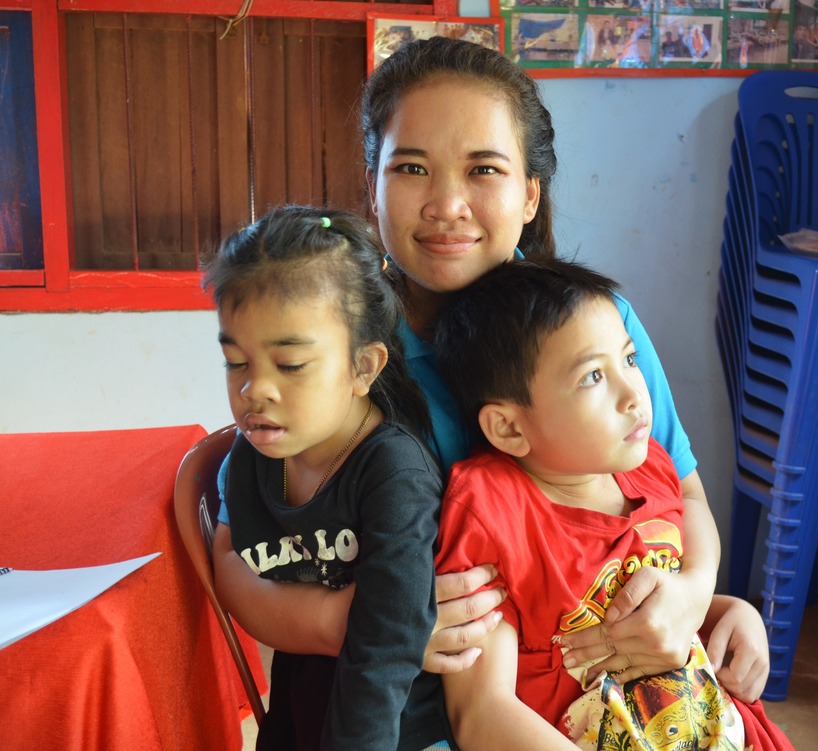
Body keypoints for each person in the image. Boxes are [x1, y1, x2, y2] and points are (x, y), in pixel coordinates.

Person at [213, 36, 770, 748]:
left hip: (584, 696)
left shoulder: (598, 328)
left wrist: (694, 595)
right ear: (372, 184)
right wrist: (364, 619)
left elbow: (674, 494)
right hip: (393, 707)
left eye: (484, 169)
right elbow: (241, 541)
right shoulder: (336, 347)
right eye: (410, 167)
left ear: (530, 193)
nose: (446, 203)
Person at [433, 258, 792, 750]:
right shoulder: (492, 512)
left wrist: (730, 612)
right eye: (591, 378)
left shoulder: (651, 466)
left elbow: (664, 606)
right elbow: (481, 714)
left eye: (627, 359)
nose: (633, 394)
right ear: (509, 428)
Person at [205, 206, 448, 749]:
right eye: (236, 361)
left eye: (289, 366)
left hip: (396, 727)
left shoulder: (393, 475)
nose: (254, 391)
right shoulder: (250, 458)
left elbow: (383, 653)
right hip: (301, 716)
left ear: (364, 368)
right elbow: (229, 560)